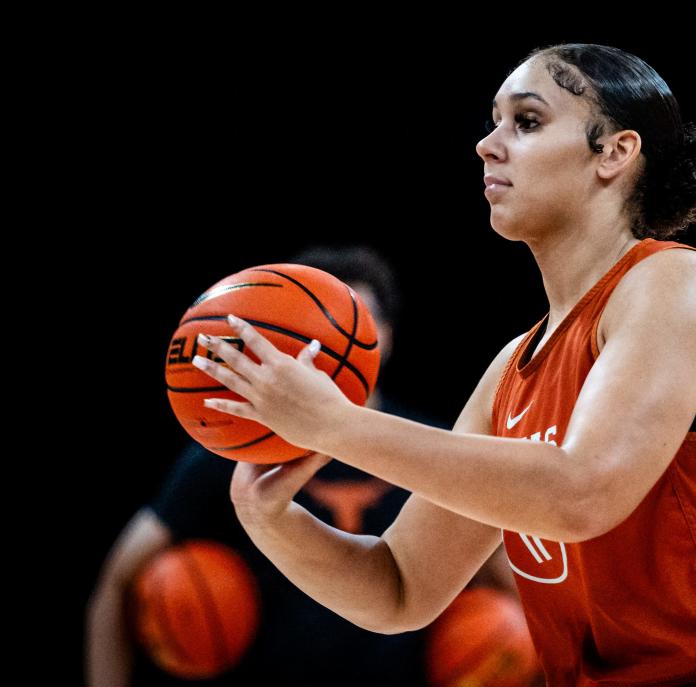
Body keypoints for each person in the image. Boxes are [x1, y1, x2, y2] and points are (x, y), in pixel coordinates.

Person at [185, 44, 696, 686]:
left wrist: (335, 425)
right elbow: (398, 587)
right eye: (492, 123)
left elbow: (580, 493)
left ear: (613, 152)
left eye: (524, 120)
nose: (487, 144)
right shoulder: (511, 369)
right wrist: (267, 515)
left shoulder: (675, 285)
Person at [85, 245, 518, 686]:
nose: (321, 339)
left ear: (383, 336)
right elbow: (118, 582)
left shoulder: (430, 447)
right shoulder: (232, 452)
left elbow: (523, 591)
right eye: (307, 325)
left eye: (349, 321)